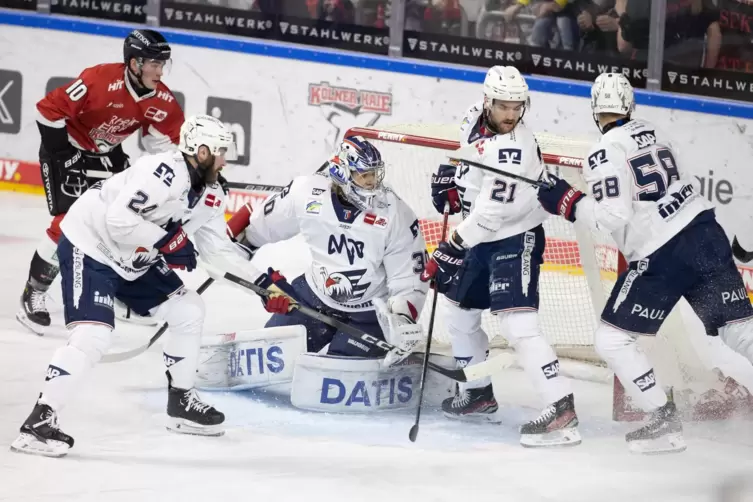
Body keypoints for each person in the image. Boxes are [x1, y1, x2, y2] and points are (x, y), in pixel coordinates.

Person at [10, 115, 275, 457]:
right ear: (203, 150)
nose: (226, 160)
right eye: (222, 152)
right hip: (90, 246)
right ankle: (38, 423)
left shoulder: (211, 194)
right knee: (93, 336)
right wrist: (169, 240)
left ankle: (181, 402)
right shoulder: (161, 171)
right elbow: (118, 221)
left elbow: (217, 250)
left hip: (133, 258)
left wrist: (264, 285)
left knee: (188, 309)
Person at [537, 72, 753, 454]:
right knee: (739, 331)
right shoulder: (657, 132)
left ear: (594, 110)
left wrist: (567, 201)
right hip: (704, 232)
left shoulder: (602, 152)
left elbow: (612, 218)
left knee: (612, 338)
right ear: (630, 106)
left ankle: (663, 420)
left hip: (662, 253)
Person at [425, 65, 580, 448]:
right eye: (504, 106)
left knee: (518, 324)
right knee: (458, 311)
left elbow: (491, 215)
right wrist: (451, 176)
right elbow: (464, 153)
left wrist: (450, 247)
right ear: (487, 102)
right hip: (481, 237)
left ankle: (560, 406)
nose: (511, 115)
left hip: (515, 236)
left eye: (517, 107)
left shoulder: (515, 149)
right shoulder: (472, 117)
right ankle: (478, 394)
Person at [17, 29, 184, 335]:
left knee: (124, 219)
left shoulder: (162, 99)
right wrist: (63, 156)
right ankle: (34, 292)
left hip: (107, 154)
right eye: (153, 64)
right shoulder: (99, 80)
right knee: (68, 223)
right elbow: (47, 111)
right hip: (66, 147)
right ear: (134, 64)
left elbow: (167, 145)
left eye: (163, 65)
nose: (160, 72)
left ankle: (117, 292)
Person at [225, 136, 429, 365]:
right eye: (364, 175)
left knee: (338, 373)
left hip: (368, 314)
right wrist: (240, 254)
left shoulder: (395, 214)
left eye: (374, 174)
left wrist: (401, 322)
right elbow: (260, 228)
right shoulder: (306, 193)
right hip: (313, 298)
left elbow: (409, 279)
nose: (373, 182)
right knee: (265, 356)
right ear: (343, 173)